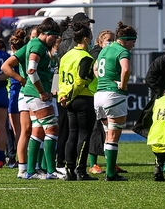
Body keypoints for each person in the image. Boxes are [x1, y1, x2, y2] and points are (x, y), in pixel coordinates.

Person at [93, 21, 136, 182]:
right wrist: (122, 85)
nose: (133, 45)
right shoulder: (122, 50)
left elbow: (95, 68)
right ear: (125, 40)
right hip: (113, 95)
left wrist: (104, 80)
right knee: (113, 135)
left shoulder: (105, 49)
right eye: (133, 41)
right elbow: (126, 69)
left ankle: (110, 170)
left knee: (107, 133)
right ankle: (111, 173)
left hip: (99, 95)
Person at [53, 13, 95, 176]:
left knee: (72, 134)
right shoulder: (85, 56)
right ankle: (80, 170)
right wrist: (70, 95)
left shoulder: (66, 55)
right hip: (82, 97)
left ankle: (69, 168)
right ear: (84, 38)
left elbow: (62, 77)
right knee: (84, 135)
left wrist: (63, 96)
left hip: (67, 99)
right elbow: (80, 80)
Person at [21, 18, 62, 179]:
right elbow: (32, 70)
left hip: (32, 92)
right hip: (36, 93)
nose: (55, 41)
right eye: (54, 37)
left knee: (38, 129)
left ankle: (31, 171)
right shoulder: (37, 45)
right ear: (46, 34)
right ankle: (51, 170)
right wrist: (42, 92)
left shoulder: (36, 45)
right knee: (52, 128)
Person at [0, 28, 33, 178]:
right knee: (27, 131)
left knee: (19, 132)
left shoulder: (16, 56)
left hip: (16, 95)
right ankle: (26, 163)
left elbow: (4, 73)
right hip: (23, 94)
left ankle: (19, 161)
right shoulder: (25, 55)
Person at [86, 29, 115, 175]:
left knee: (111, 130)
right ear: (100, 41)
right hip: (95, 94)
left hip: (105, 94)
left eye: (112, 39)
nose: (110, 42)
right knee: (96, 130)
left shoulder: (109, 52)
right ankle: (93, 164)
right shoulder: (97, 53)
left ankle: (111, 162)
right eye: (107, 40)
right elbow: (95, 70)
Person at [0, 39, 10, 167]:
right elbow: (10, 70)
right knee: (1, 126)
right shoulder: (5, 55)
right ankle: (0, 158)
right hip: (2, 92)